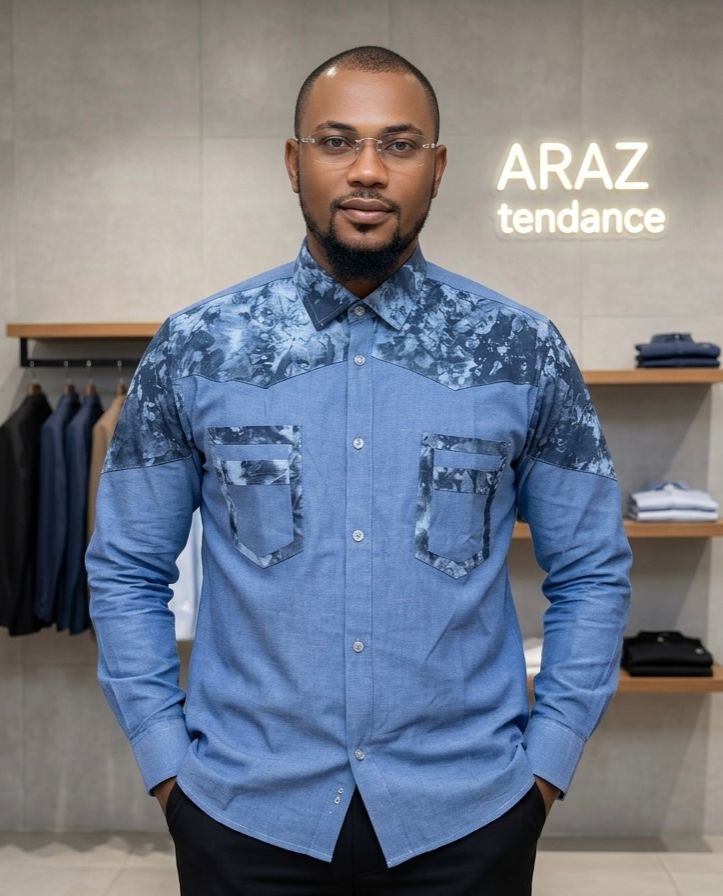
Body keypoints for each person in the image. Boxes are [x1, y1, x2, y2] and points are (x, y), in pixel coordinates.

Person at [86, 46, 632, 896]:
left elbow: (591, 570)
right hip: (241, 815)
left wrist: (544, 769)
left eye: (399, 144)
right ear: (292, 162)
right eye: (336, 142)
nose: (368, 170)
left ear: (437, 168)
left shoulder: (520, 350)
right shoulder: (197, 347)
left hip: (469, 816)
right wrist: (168, 769)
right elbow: (125, 569)